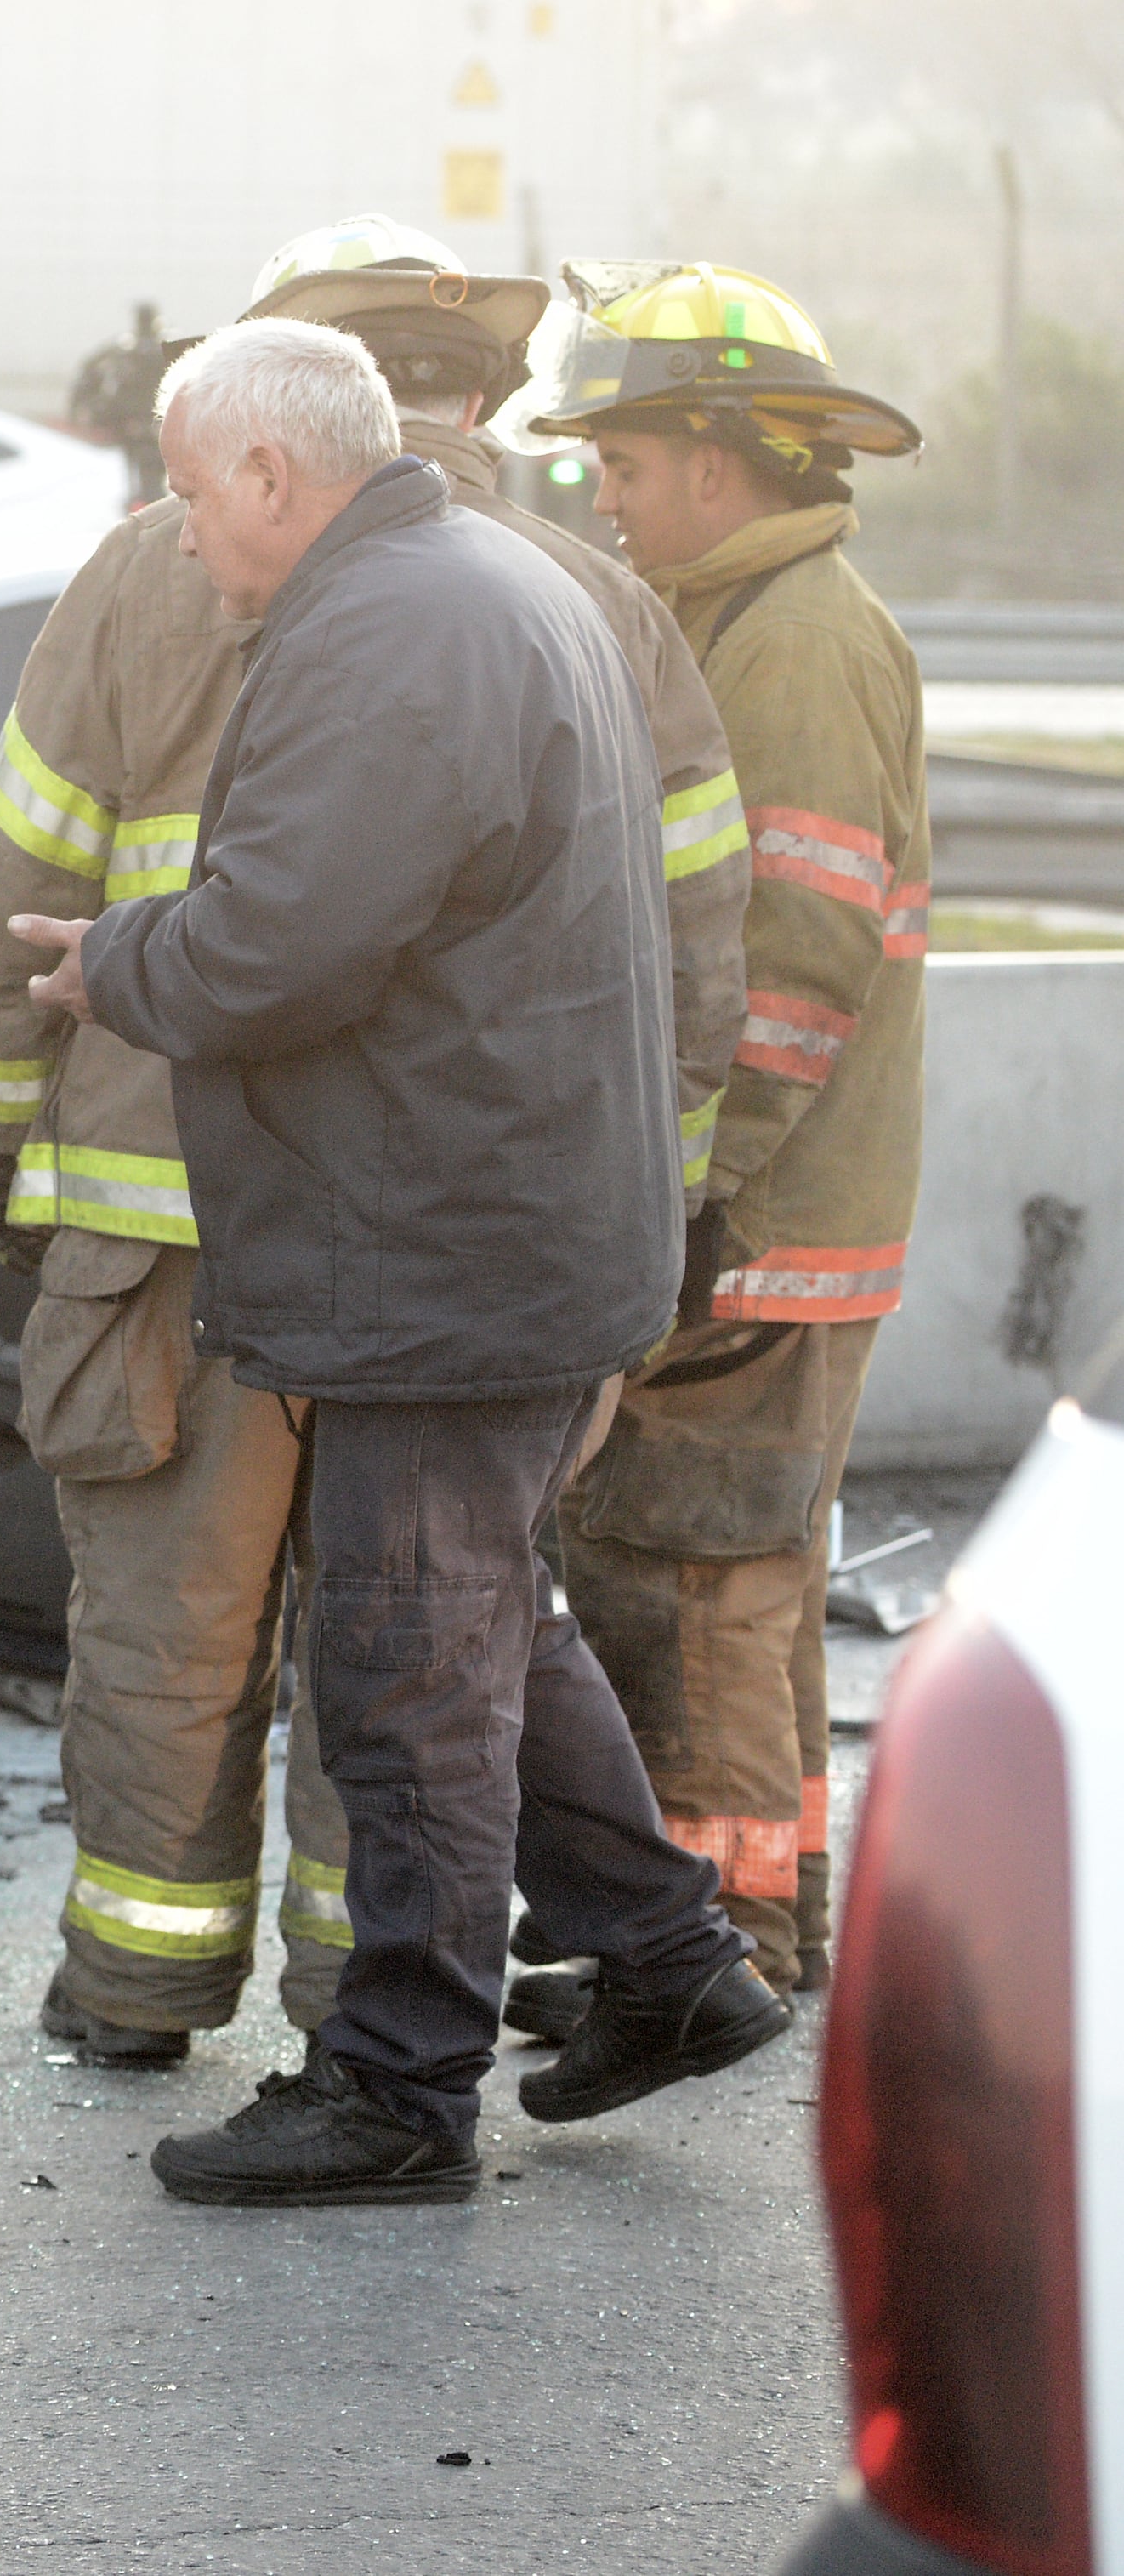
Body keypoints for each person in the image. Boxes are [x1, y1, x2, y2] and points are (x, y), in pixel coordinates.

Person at [0, 218, 749, 2072]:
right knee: (423, 1638)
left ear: (290, 415)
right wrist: (671, 1191)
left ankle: (164, 1996)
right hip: (477, 1244)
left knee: (184, 1626)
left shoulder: (159, 575)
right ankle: (366, 2002)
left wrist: (5, 1138)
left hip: (188, 1241)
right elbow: (698, 946)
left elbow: (9, 898)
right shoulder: (577, 593)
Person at [510, 266, 927, 2027]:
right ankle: (755, 1917)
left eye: (621, 454)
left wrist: (698, 1185)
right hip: (772, 1208)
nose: (600, 488)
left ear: (713, 458)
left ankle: (712, 1949)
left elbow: (793, 953)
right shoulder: (745, 618)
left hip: (759, 1214)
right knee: (735, 1577)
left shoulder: (799, 645)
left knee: (689, 1578)